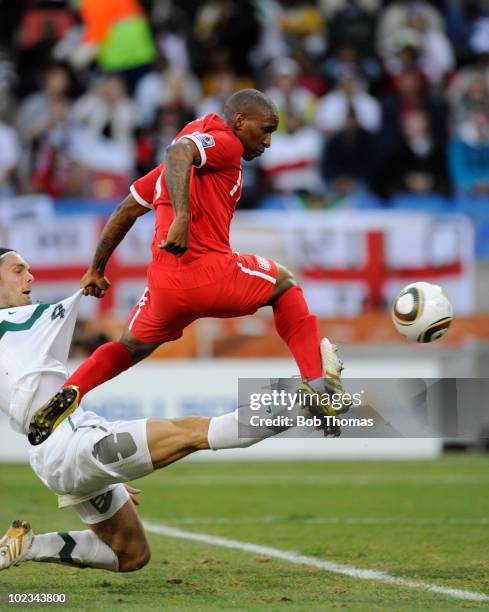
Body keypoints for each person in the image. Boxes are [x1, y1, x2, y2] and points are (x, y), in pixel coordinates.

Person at [29, 88, 346, 447]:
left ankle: (71, 390)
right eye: (266, 129)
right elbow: (178, 151)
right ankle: (317, 383)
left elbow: (126, 210)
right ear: (240, 121)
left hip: (165, 287)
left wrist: (96, 269)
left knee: (128, 347)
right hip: (210, 273)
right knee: (285, 283)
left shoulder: (176, 165)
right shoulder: (225, 143)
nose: (269, 141)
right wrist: (182, 217)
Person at [0, 247, 343, 573]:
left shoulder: (26, 327)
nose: (30, 277)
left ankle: (28, 546)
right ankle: (306, 404)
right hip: (69, 445)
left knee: (130, 554)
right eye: (18, 271)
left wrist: (102, 470)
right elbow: (123, 339)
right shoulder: (26, 322)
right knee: (195, 433)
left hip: (52, 451)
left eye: (28, 269)